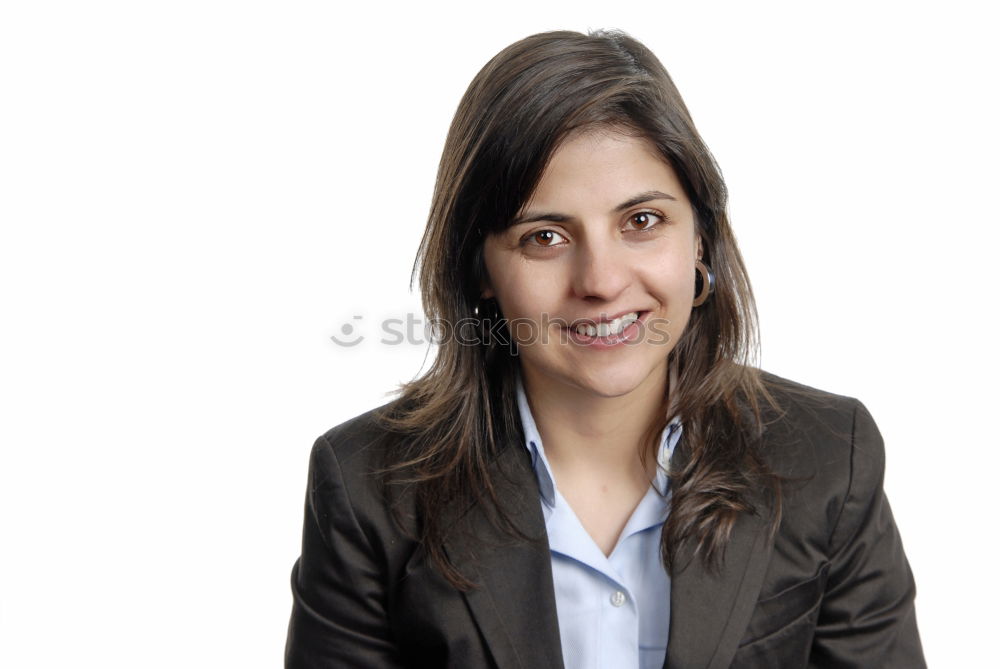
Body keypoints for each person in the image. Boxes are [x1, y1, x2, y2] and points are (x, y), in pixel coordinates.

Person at [284, 29, 925, 669]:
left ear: (699, 237)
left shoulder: (827, 455)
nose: (601, 281)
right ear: (480, 267)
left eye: (641, 222)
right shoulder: (368, 485)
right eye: (544, 237)